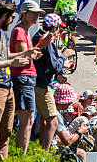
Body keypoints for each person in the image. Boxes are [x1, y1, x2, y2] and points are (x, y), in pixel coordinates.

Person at [0, 0, 39, 162]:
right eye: (11, 17)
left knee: (7, 131)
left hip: (8, 86)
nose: (12, 21)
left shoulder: (3, 34)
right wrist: (12, 63)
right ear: (4, 16)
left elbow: (4, 56)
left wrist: (25, 53)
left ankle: (2, 158)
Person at [32, 13, 74, 151]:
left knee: (45, 120)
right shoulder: (48, 41)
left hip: (38, 82)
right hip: (42, 85)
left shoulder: (39, 36)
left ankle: (41, 150)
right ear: (54, 27)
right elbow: (54, 66)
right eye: (58, 29)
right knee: (53, 121)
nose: (59, 32)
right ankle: (45, 153)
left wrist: (62, 64)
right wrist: (64, 55)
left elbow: (52, 64)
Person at [10, 0, 47, 153]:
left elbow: (27, 55)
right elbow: (24, 57)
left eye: (38, 14)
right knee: (27, 119)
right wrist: (41, 44)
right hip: (23, 77)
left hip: (26, 77)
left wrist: (39, 47)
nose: (37, 16)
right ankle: (20, 155)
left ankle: (21, 154)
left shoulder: (23, 30)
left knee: (28, 119)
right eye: (34, 13)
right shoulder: (20, 31)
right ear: (24, 14)